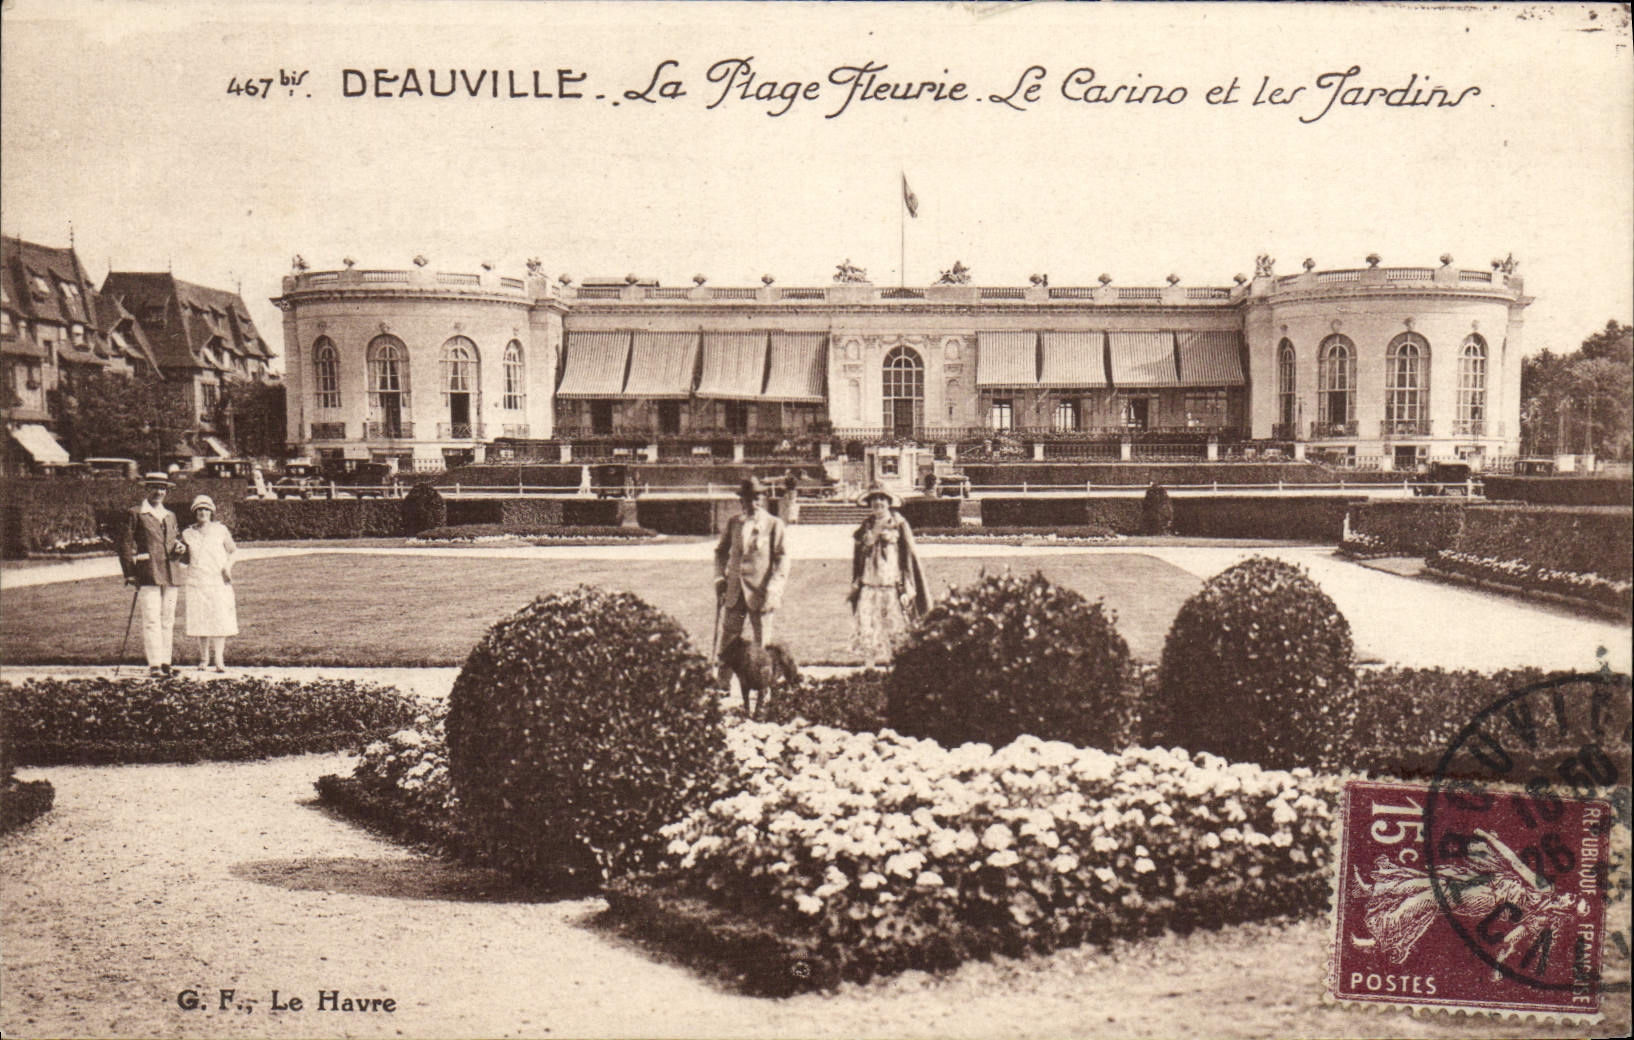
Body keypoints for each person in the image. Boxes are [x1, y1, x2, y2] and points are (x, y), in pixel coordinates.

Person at [713, 476, 790, 677]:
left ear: (763, 499)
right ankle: (722, 684)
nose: (753, 503)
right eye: (748, 499)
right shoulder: (734, 523)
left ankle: (762, 683)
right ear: (742, 501)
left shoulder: (774, 524)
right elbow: (721, 552)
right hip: (734, 591)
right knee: (729, 638)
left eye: (757, 498)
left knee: (762, 640)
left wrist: (774, 588)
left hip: (761, 592)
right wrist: (720, 579)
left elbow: (782, 559)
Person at [849, 482, 930, 669]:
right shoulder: (866, 527)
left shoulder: (899, 524)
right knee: (867, 627)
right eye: (874, 499)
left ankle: (897, 668)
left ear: (888, 502)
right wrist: (856, 580)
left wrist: (908, 585)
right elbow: (858, 557)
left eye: (882, 499)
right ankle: (869, 669)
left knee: (895, 628)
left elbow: (909, 556)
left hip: (892, 585)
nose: (878, 503)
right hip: (869, 585)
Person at [117, 472, 187, 675]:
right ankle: (154, 663)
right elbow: (125, 544)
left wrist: (179, 547)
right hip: (148, 572)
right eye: (154, 487)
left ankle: (166, 662)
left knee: (168, 619)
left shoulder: (170, 515)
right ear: (146, 489)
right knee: (151, 618)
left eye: (163, 488)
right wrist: (129, 573)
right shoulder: (136, 513)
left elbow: (173, 541)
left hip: (171, 572)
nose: (159, 492)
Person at [180, 495, 238, 672]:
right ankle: (204, 659)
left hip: (218, 580)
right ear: (194, 512)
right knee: (200, 620)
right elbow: (183, 559)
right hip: (197, 581)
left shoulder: (220, 530)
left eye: (206, 509)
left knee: (219, 619)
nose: (202, 512)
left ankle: (219, 660)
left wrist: (227, 568)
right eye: (199, 509)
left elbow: (233, 551)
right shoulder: (188, 533)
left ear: (211, 512)